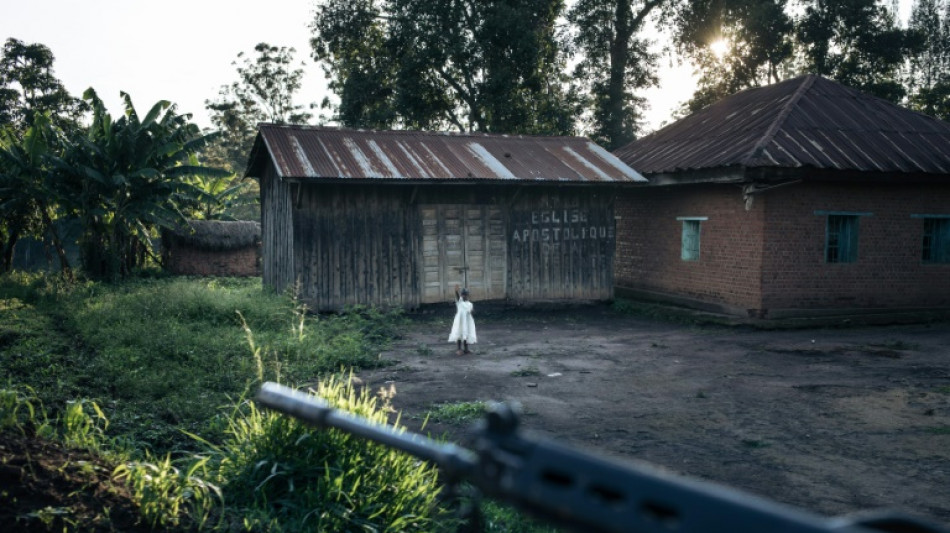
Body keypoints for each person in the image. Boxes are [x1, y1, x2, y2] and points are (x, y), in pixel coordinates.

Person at [448, 284, 476, 355]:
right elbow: (457, 297)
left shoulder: (470, 304)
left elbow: (471, 311)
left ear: (468, 295)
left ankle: (466, 349)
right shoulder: (460, 302)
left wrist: (472, 311)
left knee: (466, 334)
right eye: (463, 295)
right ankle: (459, 349)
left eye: (466, 295)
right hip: (460, 321)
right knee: (459, 334)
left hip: (467, 321)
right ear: (461, 295)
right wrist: (456, 291)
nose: (464, 296)